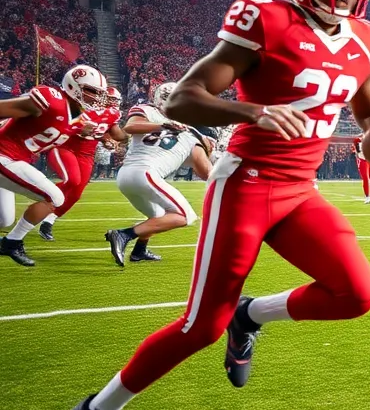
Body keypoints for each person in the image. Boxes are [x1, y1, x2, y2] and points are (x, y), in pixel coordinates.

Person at [67, 0, 370, 410]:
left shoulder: (365, 39)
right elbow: (186, 97)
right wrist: (252, 112)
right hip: (248, 183)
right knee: (200, 327)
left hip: (301, 190)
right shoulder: (266, 19)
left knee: (356, 293)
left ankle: (252, 315)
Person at [0, 66, 109, 266]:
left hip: (14, 161)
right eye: (91, 91)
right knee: (55, 196)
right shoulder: (51, 100)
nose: (95, 98)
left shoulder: (76, 118)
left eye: (98, 93)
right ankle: (11, 243)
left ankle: (9, 240)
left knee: (4, 220)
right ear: (72, 85)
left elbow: (72, 126)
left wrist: (88, 132)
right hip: (4, 155)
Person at [105, 93, 215, 266]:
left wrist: (164, 125)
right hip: (146, 174)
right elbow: (208, 173)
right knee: (185, 216)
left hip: (125, 176)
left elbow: (132, 127)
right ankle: (124, 234)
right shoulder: (192, 137)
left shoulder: (149, 112)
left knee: (157, 215)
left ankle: (139, 251)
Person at [30, 84, 127, 243]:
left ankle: (48, 221)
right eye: (110, 99)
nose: (113, 103)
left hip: (87, 154)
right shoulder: (80, 106)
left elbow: (112, 134)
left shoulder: (112, 115)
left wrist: (109, 140)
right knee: (73, 180)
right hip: (64, 147)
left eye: (115, 100)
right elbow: (62, 124)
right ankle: (40, 194)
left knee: (75, 194)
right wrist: (78, 127)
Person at [352, 133, 370, 204]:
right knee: (365, 177)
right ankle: (367, 197)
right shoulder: (357, 139)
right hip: (362, 159)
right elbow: (355, 151)